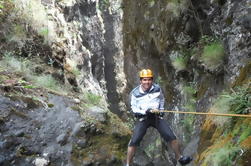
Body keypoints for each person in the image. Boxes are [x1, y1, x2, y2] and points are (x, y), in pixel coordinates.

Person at [125, 69, 192, 166]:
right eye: (144, 80)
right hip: (143, 118)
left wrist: (161, 109)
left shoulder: (157, 88)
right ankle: (128, 164)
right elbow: (133, 108)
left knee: (171, 136)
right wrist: (145, 112)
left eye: (149, 79)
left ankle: (179, 158)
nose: (147, 82)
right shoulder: (135, 93)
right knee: (134, 141)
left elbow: (161, 99)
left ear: (152, 80)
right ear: (141, 81)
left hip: (156, 117)